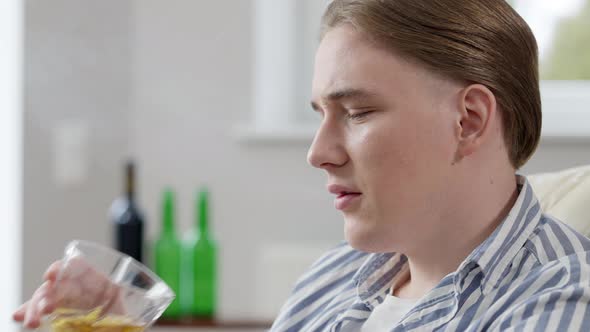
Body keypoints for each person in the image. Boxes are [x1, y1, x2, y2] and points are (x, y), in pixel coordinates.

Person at [13, 0, 590, 331]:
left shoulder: (562, 300)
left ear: (468, 120)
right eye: (319, 114)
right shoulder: (333, 278)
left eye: (358, 111)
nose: (318, 152)